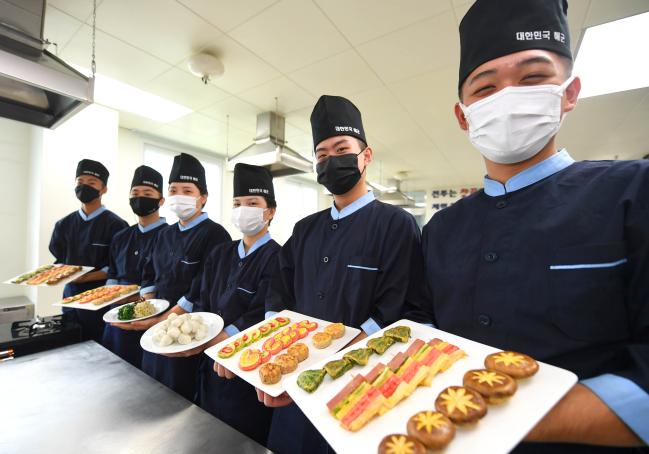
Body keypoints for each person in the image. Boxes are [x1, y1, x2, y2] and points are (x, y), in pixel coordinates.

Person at [422, 0, 649, 452]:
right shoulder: (441, 230)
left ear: (569, 92)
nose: (507, 97)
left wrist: (507, 417)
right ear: (463, 115)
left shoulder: (633, 192)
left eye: (532, 78)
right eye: (485, 88)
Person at [262, 95, 430, 453]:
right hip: (297, 375)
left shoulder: (396, 226)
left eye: (341, 148)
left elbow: (404, 304)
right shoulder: (305, 229)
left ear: (365, 156)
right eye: (321, 154)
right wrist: (273, 342)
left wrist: (345, 349)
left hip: (359, 380)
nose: (330, 160)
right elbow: (281, 286)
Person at [117, 152, 231, 401]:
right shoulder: (164, 234)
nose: (180, 196)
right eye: (174, 189)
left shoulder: (216, 236)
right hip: (157, 329)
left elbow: (206, 287)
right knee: (150, 391)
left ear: (203, 197)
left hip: (190, 332)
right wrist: (148, 306)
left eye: (187, 191)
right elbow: (149, 274)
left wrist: (169, 318)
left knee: (180, 400)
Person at [183, 163, 279, 446]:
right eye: (238, 203)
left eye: (253, 203)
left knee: (241, 440)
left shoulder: (279, 258)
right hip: (208, 360)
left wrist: (228, 338)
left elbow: (266, 312)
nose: (243, 209)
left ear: (270, 211)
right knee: (207, 433)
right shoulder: (220, 253)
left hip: (246, 368)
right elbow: (202, 297)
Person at [49, 159, 128, 342]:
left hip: (100, 300)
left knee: (99, 349)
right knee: (70, 343)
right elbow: (60, 259)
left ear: (103, 189)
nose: (84, 186)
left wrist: (85, 277)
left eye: (91, 183)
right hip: (70, 298)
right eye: (80, 182)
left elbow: (118, 267)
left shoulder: (116, 225)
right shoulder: (64, 225)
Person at [102, 165, 169, 368]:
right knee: (111, 369)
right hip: (115, 317)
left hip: (150, 319)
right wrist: (108, 296)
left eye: (147, 193)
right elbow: (113, 273)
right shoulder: (121, 237)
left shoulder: (169, 237)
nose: (140, 198)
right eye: (135, 193)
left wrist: (136, 300)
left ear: (161, 200)